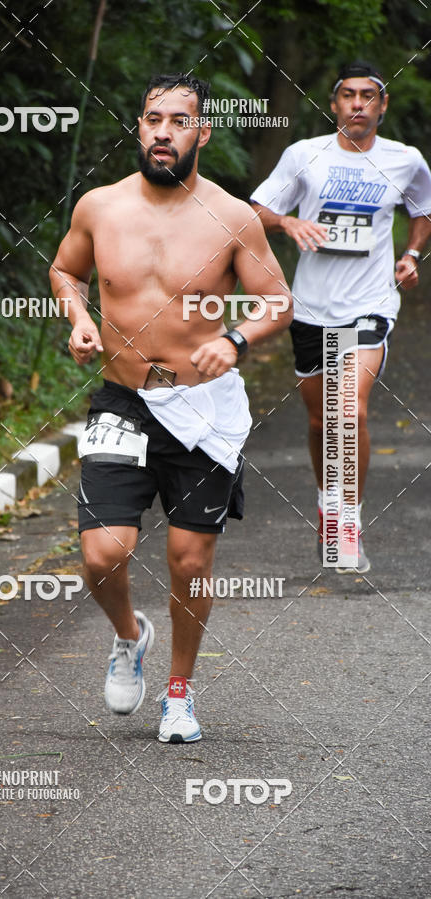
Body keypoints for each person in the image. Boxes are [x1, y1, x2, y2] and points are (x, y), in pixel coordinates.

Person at [49, 73, 292, 743]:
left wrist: (235, 339)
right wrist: (77, 317)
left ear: (201, 133)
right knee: (102, 554)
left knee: (190, 560)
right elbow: (65, 270)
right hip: (124, 399)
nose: (163, 130)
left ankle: (179, 693)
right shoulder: (99, 206)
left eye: (178, 120)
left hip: (204, 407)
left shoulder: (233, 216)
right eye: (153, 117)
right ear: (139, 126)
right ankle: (130, 636)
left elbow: (277, 300)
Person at [251, 61, 431, 574]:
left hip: (371, 304)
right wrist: (288, 223)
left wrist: (412, 255)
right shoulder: (305, 155)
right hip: (311, 307)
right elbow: (257, 207)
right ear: (333, 105)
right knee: (318, 419)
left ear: (383, 105)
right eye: (348, 95)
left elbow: (424, 210)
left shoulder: (405, 160)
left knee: (348, 412)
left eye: (368, 96)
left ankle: (348, 518)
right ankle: (327, 502)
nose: (358, 104)